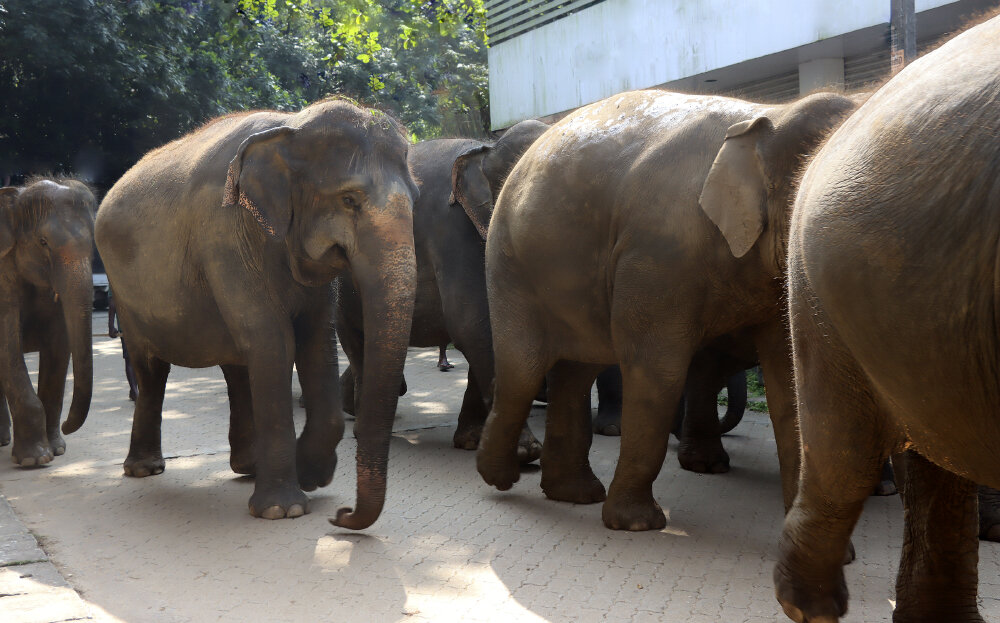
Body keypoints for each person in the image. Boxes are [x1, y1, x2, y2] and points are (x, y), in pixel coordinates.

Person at [108, 289, 138, 401]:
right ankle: (134, 391)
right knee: (139, 359)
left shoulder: (116, 274)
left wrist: (111, 326)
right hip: (142, 325)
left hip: (126, 327)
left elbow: (112, 302)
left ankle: (134, 391)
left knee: (130, 360)